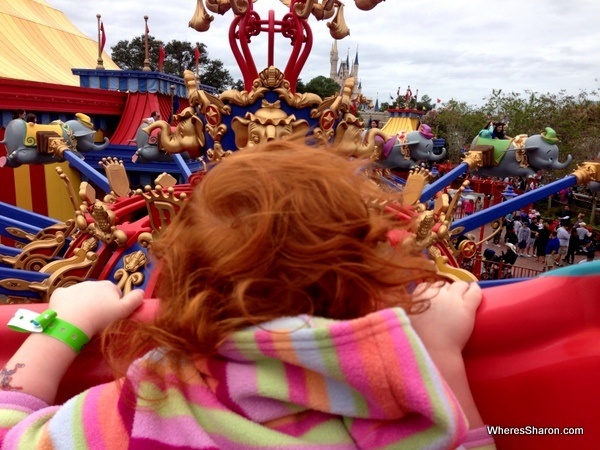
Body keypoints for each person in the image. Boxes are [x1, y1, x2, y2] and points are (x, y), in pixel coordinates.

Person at [0, 142, 494, 448]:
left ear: (182, 283)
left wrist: (60, 328)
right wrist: (440, 357)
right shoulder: (391, 409)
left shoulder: (154, 400)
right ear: (378, 284)